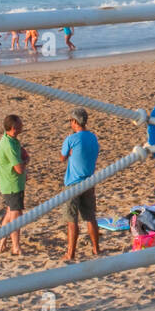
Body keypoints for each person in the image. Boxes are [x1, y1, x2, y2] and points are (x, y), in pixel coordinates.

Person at [60, 108, 100, 260]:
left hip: (73, 182)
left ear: (75, 122)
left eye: (71, 121)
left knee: (72, 219)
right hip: (89, 181)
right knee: (90, 217)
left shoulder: (71, 139)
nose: (70, 123)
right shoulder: (92, 137)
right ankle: (96, 249)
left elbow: (62, 158)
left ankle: (70, 253)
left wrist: (70, 153)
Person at [0, 114, 28, 255]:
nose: (22, 127)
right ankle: (15, 246)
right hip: (12, 184)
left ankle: (2, 242)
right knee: (16, 214)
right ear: (14, 128)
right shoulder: (8, 144)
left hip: (12, 183)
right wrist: (26, 161)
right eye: (20, 125)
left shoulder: (11, 140)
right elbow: (19, 168)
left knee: (10, 213)